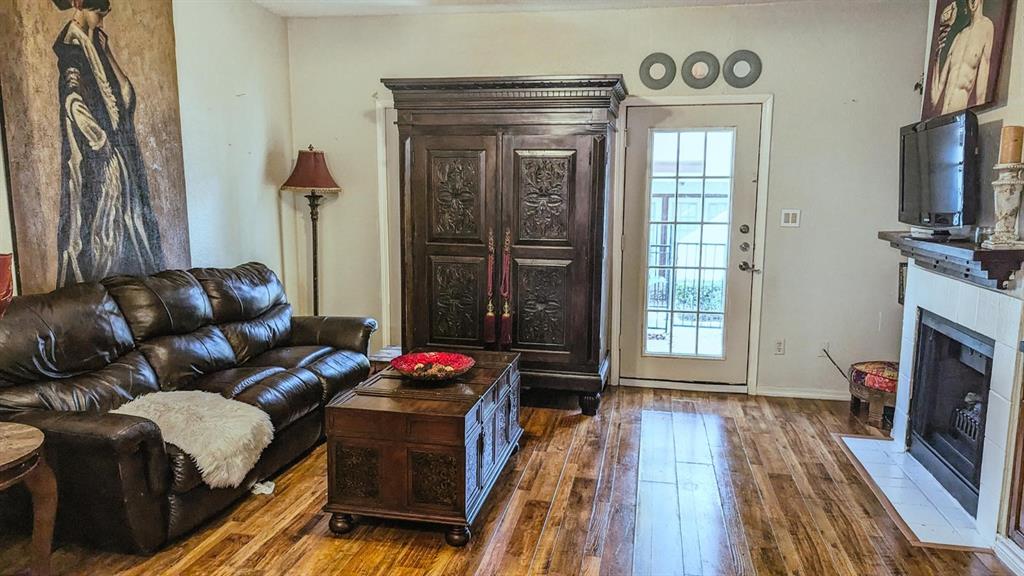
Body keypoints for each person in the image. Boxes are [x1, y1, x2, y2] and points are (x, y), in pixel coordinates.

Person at [52, 0, 164, 286]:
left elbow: (125, 96)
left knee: (132, 225)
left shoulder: (95, 46)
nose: (101, 21)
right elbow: (72, 101)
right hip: (100, 161)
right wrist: (100, 141)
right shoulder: (71, 48)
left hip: (120, 154)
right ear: (79, 5)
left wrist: (107, 51)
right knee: (101, 233)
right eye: (98, 14)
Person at [929, 0, 995, 117]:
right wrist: (937, 55)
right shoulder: (959, 36)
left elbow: (981, 91)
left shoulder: (987, 27)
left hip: (960, 119)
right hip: (943, 120)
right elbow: (935, 96)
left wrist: (983, 116)